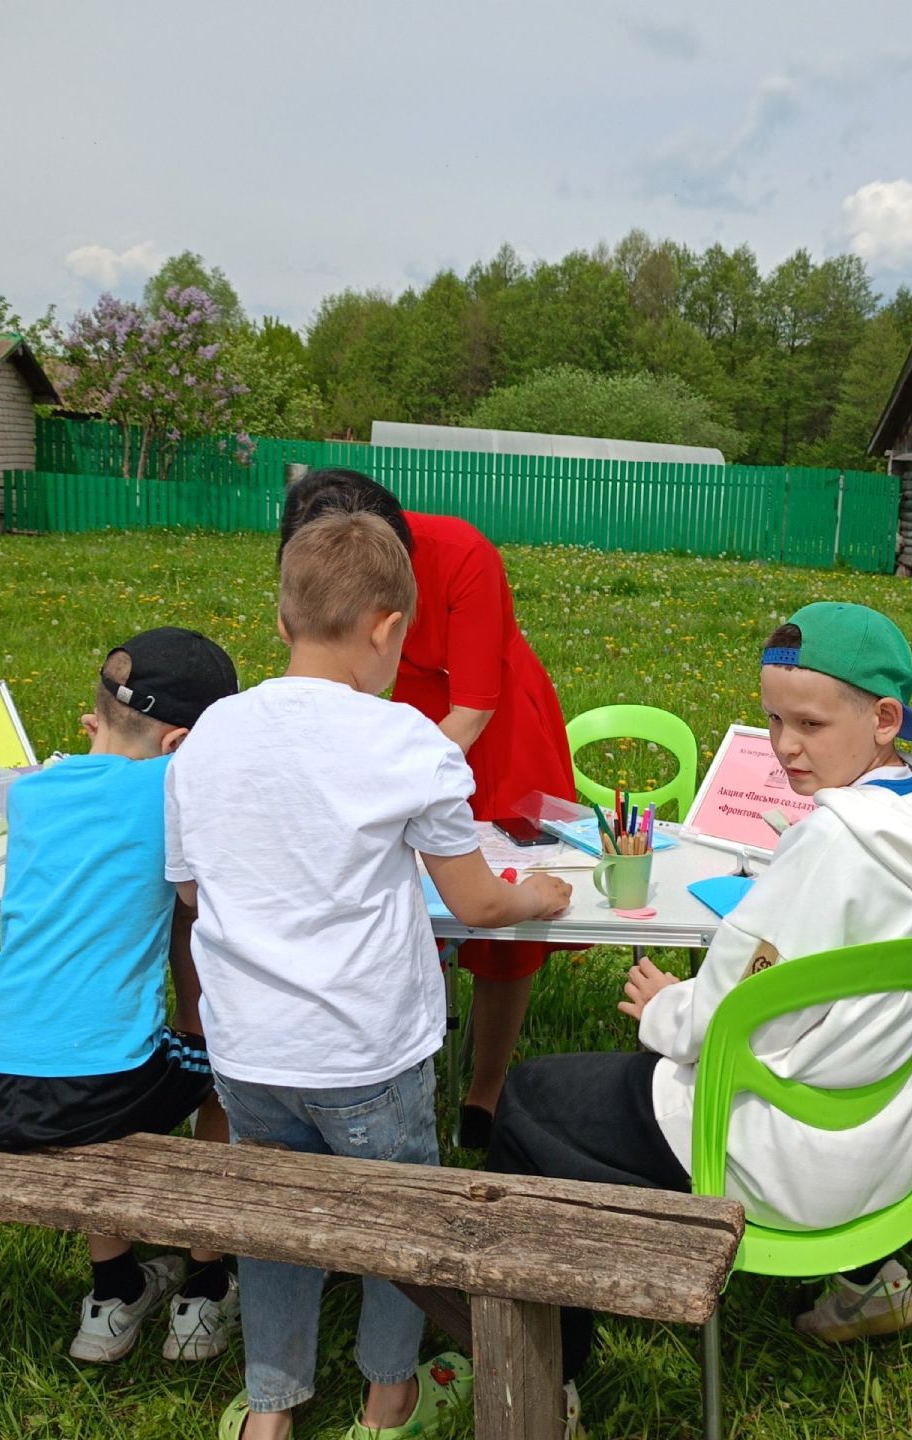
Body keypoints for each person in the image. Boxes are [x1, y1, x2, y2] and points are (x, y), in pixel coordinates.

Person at [488, 601, 912, 1396]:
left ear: (885, 719)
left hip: (779, 1160)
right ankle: (868, 1280)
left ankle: (549, 1382)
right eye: (774, 719)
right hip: (895, 1148)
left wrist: (665, 1007)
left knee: (527, 1101)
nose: (784, 746)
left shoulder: (834, 840)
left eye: (809, 724)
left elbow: (730, 1020)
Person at [168, 510, 571, 1440]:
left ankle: (270, 1413)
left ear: (282, 620)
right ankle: (389, 1399)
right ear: (390, 629)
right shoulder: (408, 742)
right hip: (367, 1051)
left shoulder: (210, 734)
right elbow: (475, 903)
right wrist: (538, 895)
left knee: (276, 1226)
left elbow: (189, 888)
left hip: (248, 1050)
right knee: (402, 1227)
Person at [0, 627, 241, 1364]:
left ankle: (114, 1290)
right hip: (95, 1085)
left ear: (95, 718)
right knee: (226, 1070)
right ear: (181, 745)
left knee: (97, 1047)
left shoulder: (32, 794)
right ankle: (206, 1283)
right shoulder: (172, 792)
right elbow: (202, 901)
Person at [278, 470, 576, 1147]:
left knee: (495, 910)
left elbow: (472, 709)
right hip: (411, 707)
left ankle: (485, 1089)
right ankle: (410, 1056)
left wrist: (375, 784)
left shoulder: (464, 554)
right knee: (400, 893)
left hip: (491, 721)